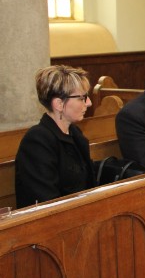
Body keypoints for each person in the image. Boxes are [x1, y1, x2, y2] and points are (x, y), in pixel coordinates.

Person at [15, 65, 96, 208]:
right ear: (59, 104)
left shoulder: (75, 133)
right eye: (82, 98)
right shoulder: (37, 141)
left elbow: (88, 186)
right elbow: (46, 202)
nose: (89, 103)